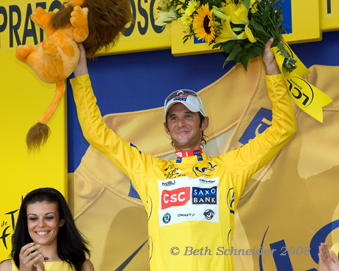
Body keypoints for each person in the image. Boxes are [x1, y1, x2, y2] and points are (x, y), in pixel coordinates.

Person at [70, 38, 296, 270]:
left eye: (189, 115)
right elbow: (96, 133)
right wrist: (81, 75)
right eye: (174, 118)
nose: (181, 123)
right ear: (167, 129)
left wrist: (272, 70)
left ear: (203, 123)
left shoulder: (227, 168)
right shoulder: (150, 171)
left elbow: (282, 129)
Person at [0, 188, 94, 271]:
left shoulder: (83, 267)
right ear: (26, 222)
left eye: (49, 217)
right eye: (33, 218)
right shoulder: (7, 267)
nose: (41, 224)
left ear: (61, 221)